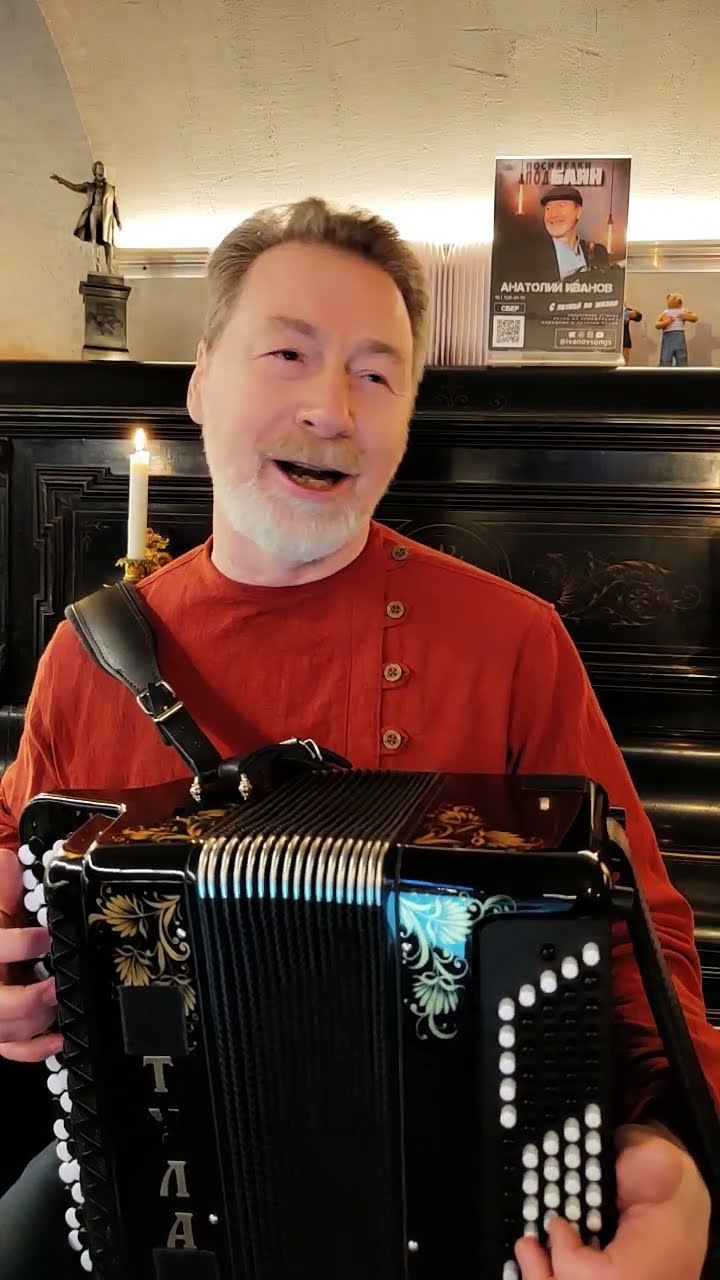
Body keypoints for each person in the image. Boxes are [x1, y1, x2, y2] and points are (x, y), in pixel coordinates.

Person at [0, 197, 714, 1280]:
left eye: (377, 375)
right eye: (288, 354)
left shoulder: (512, 641)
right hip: (167, 1183)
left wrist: (672, 1150)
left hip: (467, 1190)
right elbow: (15, 863)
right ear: (201, 381)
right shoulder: (89, 656)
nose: (331, 408)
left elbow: (639, 939)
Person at [50, 161, 122, 275]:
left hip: (106, 217)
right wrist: (61, 180)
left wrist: (118, 220)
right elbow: (75, 187)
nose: (102, 170)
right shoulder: (89, 186)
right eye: (99, 168)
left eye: (103, 168)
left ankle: (109, 268)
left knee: (108, 242)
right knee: (95, 241)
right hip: (94, 213)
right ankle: (97, 267)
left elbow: (114, 205)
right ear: (95, 171)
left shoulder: (111, 188)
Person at [656, 293, 699, 367]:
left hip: (679, 336)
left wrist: (686, 316)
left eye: (679, 298)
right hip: (668, 337)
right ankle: (664, 370)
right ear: (668, 299)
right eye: (674, 298)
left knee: (681, 356)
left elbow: (695, 318)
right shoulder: (666, 312)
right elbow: (657, 325)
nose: (678, 300)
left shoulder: (683, 311)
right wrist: (666, 322)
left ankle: (682, 369)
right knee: (666, 356)